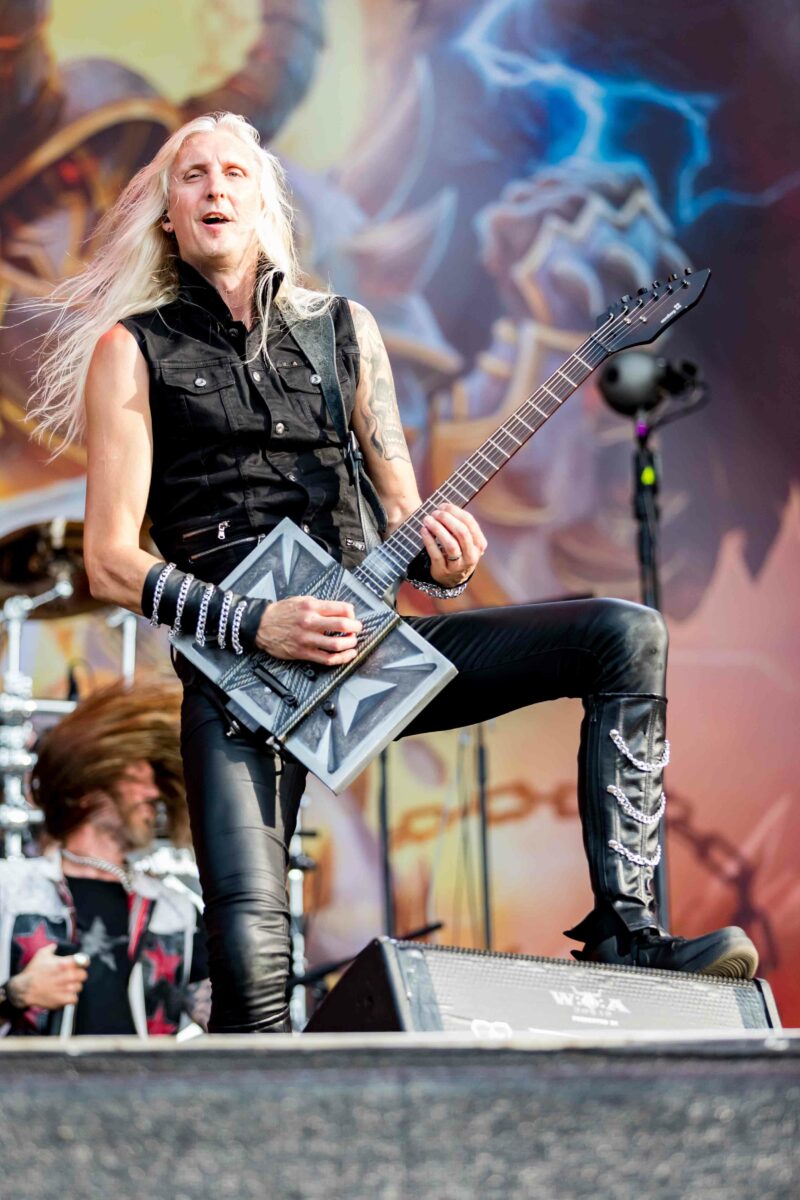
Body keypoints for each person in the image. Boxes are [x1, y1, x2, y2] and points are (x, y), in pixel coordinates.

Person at [28, 111, 758, 1035]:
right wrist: (255, 625)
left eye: (235, 172)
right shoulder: (130, 351)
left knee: (624, 635)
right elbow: (108, 560)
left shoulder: (346, 331)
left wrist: (446, 557)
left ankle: (630, 933)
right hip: (239, 684)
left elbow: (408, 519)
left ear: (265, 202)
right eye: (193, 174)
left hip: (369, 651)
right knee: (252, 987)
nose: (215, 188)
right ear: (168, 214)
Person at [0, 682, 209, 1037]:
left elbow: (226, 1016)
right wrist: (15, 995)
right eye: (135, 779)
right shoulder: (10, 890)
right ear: (87, 788)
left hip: (144, 1076)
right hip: (32, 1076)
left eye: (155, 781)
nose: (153, 793)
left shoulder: (177, 911)